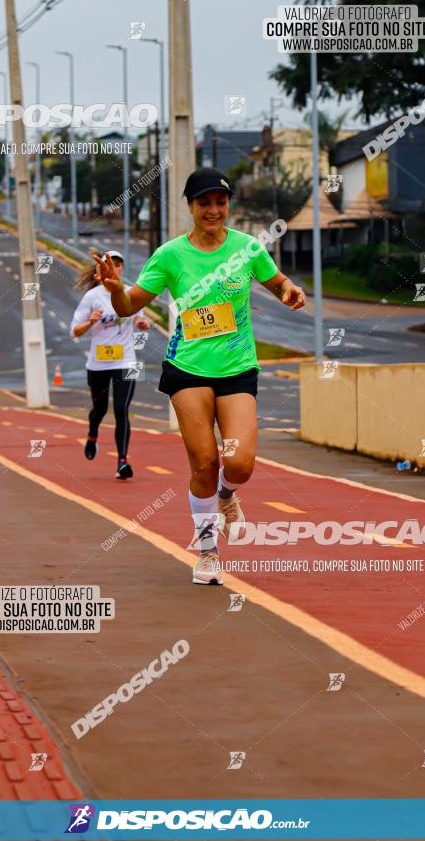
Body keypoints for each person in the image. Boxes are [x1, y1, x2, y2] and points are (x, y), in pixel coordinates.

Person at [93, 168, 306, 585]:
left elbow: (276, 281)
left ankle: (228, 496)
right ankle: (208, 551)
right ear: (189, 207)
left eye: (220, 202)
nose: (213, 210)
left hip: (237, 368)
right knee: (205, 461)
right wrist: (116, 288)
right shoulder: (170, 255)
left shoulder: (247, 248)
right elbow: (127, 306)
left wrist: (288, 290)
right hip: (187, 369)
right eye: (203, 203)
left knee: (240, 464)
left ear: (229, 205)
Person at [70, 250, 150, 480]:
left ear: (121, 269)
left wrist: (143, 324)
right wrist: (89, 322)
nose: (113, 268)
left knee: (121, 410)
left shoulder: (130, 292)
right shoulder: (92, 297)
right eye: (108, 264)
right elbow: (74, 331)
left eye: (117, 264)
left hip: (126, 360)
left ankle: (122, 461)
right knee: (100, 410)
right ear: (101, 270)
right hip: (98, 364)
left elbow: (138, 318)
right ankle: (93, 433)